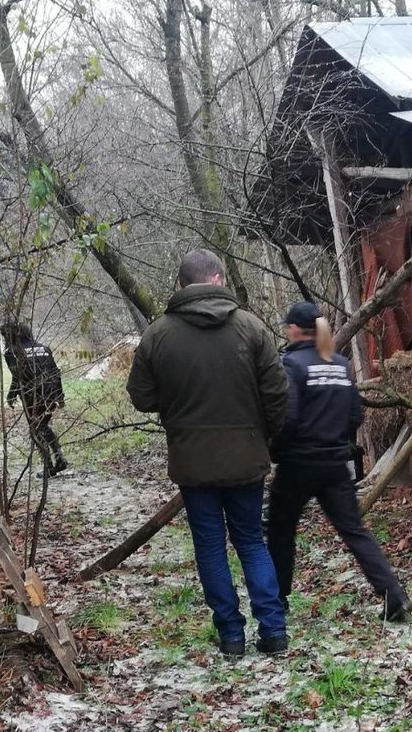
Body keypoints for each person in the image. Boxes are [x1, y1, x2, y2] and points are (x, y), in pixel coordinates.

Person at [127, 249, 289, 658]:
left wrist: (178, 403)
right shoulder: (251, 328)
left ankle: (231, 635)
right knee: (252, 541)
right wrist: (265, 438)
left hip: (192, 460)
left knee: (211, 546)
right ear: (218, 280)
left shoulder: (158, 334)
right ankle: (273, 630)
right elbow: (277, 393)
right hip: (246, 456)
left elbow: (141, 397)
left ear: (181, 285)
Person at [267, 301, 412, 622]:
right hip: (335, 463)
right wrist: (335, 441)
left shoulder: (291, 365)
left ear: (293, 329)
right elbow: (355, 415)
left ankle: (277, 600)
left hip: (298, 465)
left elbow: (286, 420)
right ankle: (393, 595)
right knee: (354, 530)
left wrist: (275, 452)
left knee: (280, 530)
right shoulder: (338, 363)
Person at [0, 321, 68, 476]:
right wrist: (60, 395)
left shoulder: (11, 352)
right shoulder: (44, 349)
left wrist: (11, 394)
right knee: (43, 426)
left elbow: (17, 376)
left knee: (36, 429)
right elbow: (55, 372)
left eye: (3, 336)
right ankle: (59, 458)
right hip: (50, 392)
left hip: (32, 395)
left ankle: (49, 466)